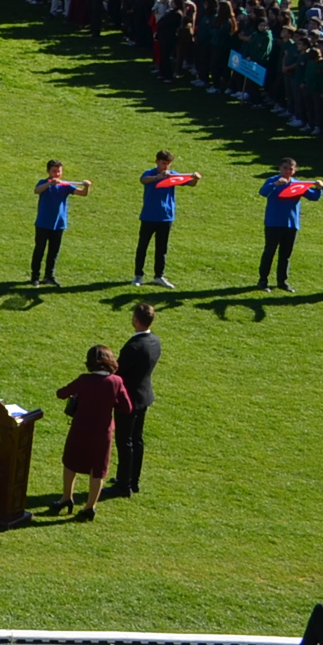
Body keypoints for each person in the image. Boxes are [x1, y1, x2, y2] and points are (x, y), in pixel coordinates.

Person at [53, 344, 132, 520]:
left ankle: (66, 498)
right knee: (98, 469)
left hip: (80, 429)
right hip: (103, 432)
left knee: (70, 462)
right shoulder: (116, 382)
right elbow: (127, 407)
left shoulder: (84, 380)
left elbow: (61, 393)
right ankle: (90, 507)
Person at [111, 302, 159, 498]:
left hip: (128, 399)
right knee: (137, 439)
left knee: (124, 441)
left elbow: (118, 372)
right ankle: (133, 480)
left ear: (136, 320)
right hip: (143, 396)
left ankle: (123, 485)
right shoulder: (154, 341)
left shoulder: (133, 346)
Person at [134, 147, 199, 289]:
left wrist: (196, 179)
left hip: (166, 217)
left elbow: (190, 183)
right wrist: (159, 177)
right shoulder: (150, 173)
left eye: (168, 164)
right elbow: (143, 180)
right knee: (142, 247)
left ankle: (159, 276)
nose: (166, 166)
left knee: (161, 249)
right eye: (163, 163)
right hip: (149, 217)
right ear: (157, 162)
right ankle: (138, 275)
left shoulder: (172, 175)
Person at [259, 157, 323, 291]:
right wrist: (275, 184)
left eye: (291, 169)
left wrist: (319, 188)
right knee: (269, 253)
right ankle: (262, 281)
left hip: (291, 224)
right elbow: (263, 192)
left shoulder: (297, 184)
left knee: (286, 255)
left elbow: (313, 197)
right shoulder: (273, 180)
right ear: (280, 168)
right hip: (274, 223)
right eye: (285, 168)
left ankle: (282, 282)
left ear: (295, 170)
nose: (287, 171)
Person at [31, 160, 89, 286]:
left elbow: (82, 193)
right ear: (48, 171)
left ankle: (49, 276)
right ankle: (35, 276)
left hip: (59, 224)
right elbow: (37, 190)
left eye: (59, 171)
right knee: (39, 250)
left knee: (53, 252)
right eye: (54, 171)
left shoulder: (65, 185)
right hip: (43, 223)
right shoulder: (43, 183)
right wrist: (49, 184)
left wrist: (87, 186)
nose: (57, 174)